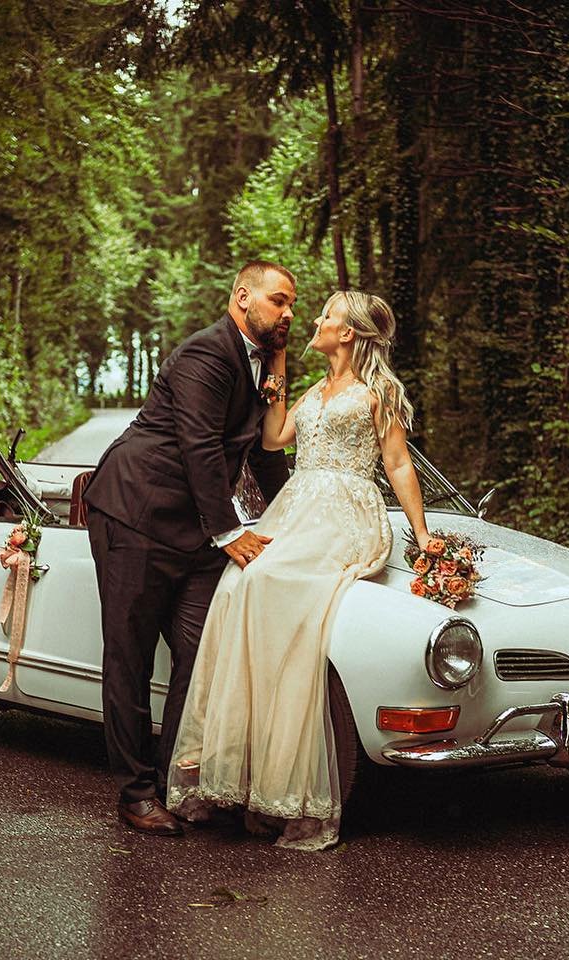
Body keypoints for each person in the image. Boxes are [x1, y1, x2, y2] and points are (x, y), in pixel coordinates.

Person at [166, 290, 431, 851]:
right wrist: (280, 363)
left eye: (327, 316)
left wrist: (424, 533)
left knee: (264, 582)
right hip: (296, 507)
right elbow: (273, 437)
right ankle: (241, 770)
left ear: (350, 334)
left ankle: (292, 787)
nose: (315, 320)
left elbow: (398, 463)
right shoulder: (317, 388)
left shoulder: (377, 392)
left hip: (343, 513)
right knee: (239, 582)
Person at [82, 261, 294, 837]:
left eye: (292, 305)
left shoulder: (262, 365)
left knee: (201, 651)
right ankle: (134, 794)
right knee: (127, 655)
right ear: (242, 297)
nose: (288, 313)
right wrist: (231, 532)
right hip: (136, 514)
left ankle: (173, 778)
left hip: (194, 532)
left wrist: (294, 519)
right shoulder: (207, 353)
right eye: (278, 301)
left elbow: (265, 456)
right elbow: (200, 446)